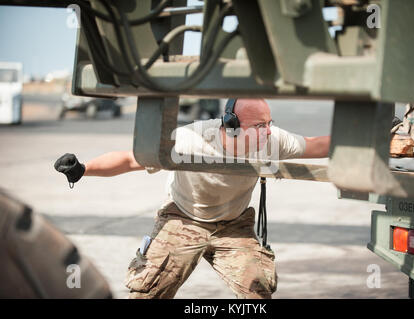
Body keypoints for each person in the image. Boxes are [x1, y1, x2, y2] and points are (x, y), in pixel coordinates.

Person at [54, 98, 330, 299]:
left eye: (270, 123)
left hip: (233, 225)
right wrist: (83, 169)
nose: (268, 131)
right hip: (184, 219)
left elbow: (317, 145)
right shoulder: (189, 140)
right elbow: (130, 159)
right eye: (259, 125)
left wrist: (366, 136)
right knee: (147, 292)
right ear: (231, 124)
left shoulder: (271, 139)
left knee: (258, 293)